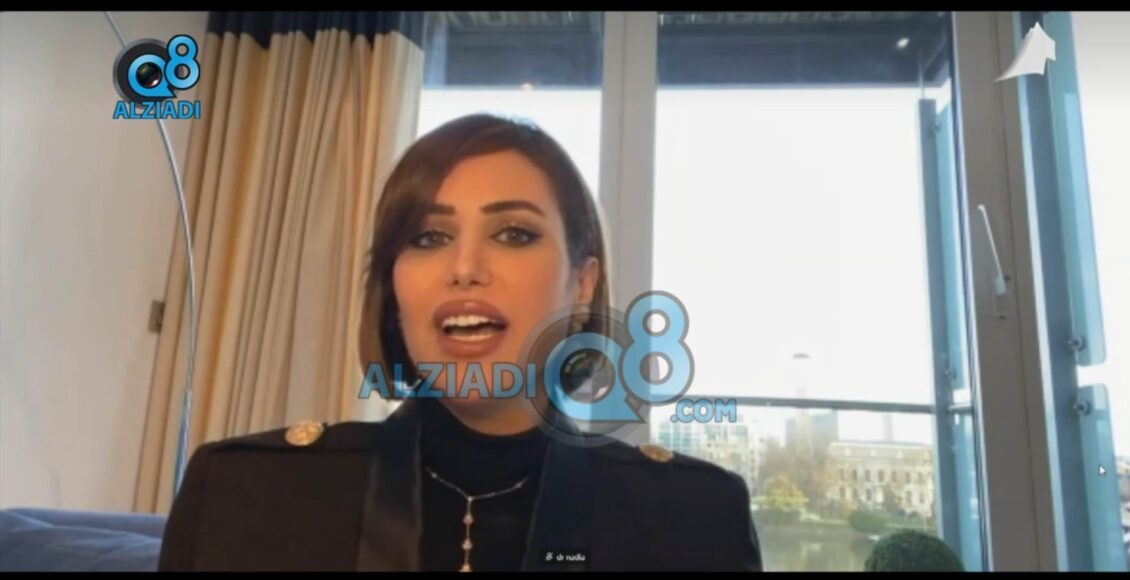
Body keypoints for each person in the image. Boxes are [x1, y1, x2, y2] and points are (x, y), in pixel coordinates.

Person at [156, 114, 763, 572]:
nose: (465, 268)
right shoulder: (242, 491)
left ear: (582, 285)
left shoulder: (694, 516)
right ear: (394, 288)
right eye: (428, 238)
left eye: (514, 233)